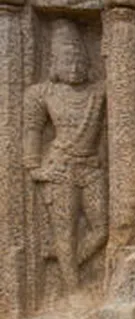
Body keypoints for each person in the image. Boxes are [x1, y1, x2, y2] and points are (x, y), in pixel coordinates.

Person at [24, 18, 108, 299]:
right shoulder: (42, 94)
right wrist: (35, 168)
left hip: (91, 167)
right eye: (66, 60)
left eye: (77, 58)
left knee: (102, 229)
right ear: (55, 64)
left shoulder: (98, 92)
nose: (73, 66)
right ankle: (72, 289)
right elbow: (32, 130)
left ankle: (65, 260)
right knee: (65, 231)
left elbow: (121, 80)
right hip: (60, 167)